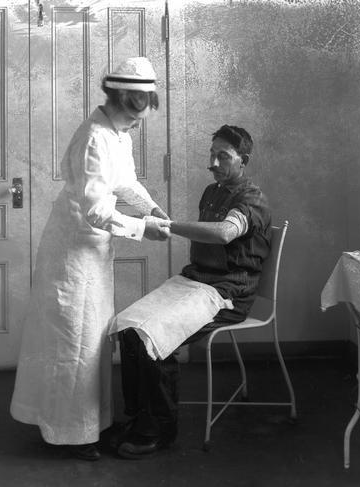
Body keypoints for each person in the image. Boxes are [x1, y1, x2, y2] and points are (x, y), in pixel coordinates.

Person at [9, 57, 171, 462]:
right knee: (70, 341)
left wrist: (152, 207)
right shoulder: (94, 138)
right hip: (72, 254)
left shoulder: (119, 133)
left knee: (91, 341)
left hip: (93, 253)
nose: (137, 125)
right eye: (136, 116)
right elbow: (97, 209)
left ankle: (89, 425)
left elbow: (126, 182)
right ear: (122, 101)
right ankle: (69, 435)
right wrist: (141, 228)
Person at [110, 125, 272, 459]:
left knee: (150, 338)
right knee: (127, 329)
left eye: (223, 156)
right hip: (196, 281)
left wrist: (168, 226)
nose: (213, 162)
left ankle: (158, 431)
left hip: (227, 293)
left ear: (244, 160)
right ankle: (139, 418)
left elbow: (226, 233)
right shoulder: (211, 193)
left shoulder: (251, 198)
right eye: (212, 155)